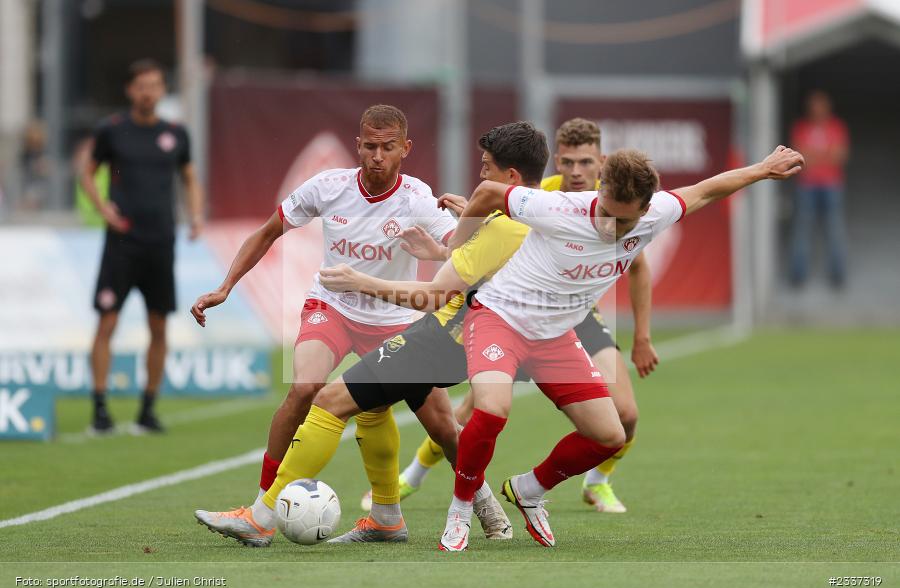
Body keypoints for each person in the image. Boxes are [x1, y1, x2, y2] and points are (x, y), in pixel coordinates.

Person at [437, 145, 805, 551]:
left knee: (609, 435)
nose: (610, 227)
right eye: (606, 213)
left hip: (555, 335)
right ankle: (461, 508)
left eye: (624, 220)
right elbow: (489, 191)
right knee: (492, 409)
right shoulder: (558, 207)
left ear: (646, 210)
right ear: (600, 191)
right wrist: (456, 245)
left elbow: (707, 189)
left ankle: (529, 489)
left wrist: (763, 169)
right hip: (500, 317)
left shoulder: (658, 212)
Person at [192, 105, 459, 547]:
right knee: (305, 388)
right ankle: (260, 510)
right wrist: (225, 287)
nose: (377, 156)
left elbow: (462, 251)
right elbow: (268, 231)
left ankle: (477, 501)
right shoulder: (328, 186)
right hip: (332, 306)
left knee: (442, 426)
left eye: (387, 147)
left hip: (393, 320)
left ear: (405, 149)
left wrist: (441, 249)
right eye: (369, 146)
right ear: (358, 145)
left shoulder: (417, 198)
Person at [381, 117, 657, 514]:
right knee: (476, 409)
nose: (576, 172)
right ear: (557, 162)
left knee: (625, 414)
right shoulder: (541, 194)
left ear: (602, 163)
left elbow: (639, 266)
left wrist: (642, 336)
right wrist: (466, 225)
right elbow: (496, 232)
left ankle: (598, 483)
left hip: (581, 313)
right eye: (568, 162)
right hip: (521, 310)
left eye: (586, 162)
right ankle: (415, 474)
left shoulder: (618, 199)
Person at [81, 59, 204, 435]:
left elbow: (189, 176)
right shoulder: (112, 130)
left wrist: (196, 215)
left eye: (154, 85)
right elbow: (87, 172)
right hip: (121, 243)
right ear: (130, 90)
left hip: (160, 242)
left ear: (162, 90)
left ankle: (147, 409)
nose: (148, 92)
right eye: (141, 86)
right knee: (107, 321)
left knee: (159, 326)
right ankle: (100, 409)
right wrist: (104, 209)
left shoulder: (176, 134)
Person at [789, 90, 849, 288]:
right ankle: (798, 276)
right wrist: (825, 154)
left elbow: (840, 156)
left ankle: (837, 275)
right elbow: (798, 158)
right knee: (802, 230)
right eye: (814, 105)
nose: (817, 109)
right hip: (807, 185)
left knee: (835, 229)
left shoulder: (836, 126)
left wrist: (813, 156)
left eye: (821, 105)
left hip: (832, 184)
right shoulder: (801, 127)